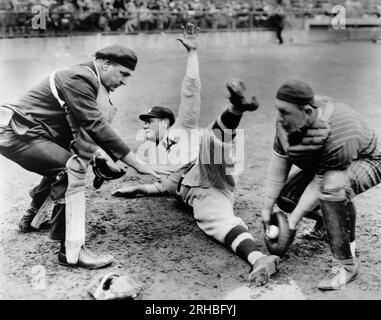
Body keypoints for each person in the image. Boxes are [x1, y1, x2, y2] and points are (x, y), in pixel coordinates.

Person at [113, 23, 280, 286]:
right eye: (144, 121)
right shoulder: (151, 158)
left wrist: (192, 54)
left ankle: (236, 107)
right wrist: (140, 189)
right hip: (200, 193)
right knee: (216, 224)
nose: (145, 125)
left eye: (150, 120)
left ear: (166, 122)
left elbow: (190, 90)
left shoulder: (182, 127)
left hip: (205, 166)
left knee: (208, 145)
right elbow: (165, 186)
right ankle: (259, 259)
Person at [0, 44, 167, 269]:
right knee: (71, 169)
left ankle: (32, 219)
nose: (125, 81)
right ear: (106, 64)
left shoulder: (89, 80)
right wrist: (137, 163)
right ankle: (72, 253)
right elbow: (94, 125)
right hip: (18, 133)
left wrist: (98, 157)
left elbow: (82, 130)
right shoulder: (81, 77)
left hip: (29, 132)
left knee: (63, 163)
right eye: (123, 73)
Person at [261, 79, 381, 290]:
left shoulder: (340, 131)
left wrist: (291, 223)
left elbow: (320, 183)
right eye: (278, 110)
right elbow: (279, 164)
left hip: (368, 159)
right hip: (327, 164)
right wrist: (266, 208)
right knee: (287, 197)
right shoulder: (289, 121)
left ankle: (347, 264)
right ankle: (327, 227)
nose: (279, 117)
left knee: (334, 192)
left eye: (284, 112)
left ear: (307, 111)